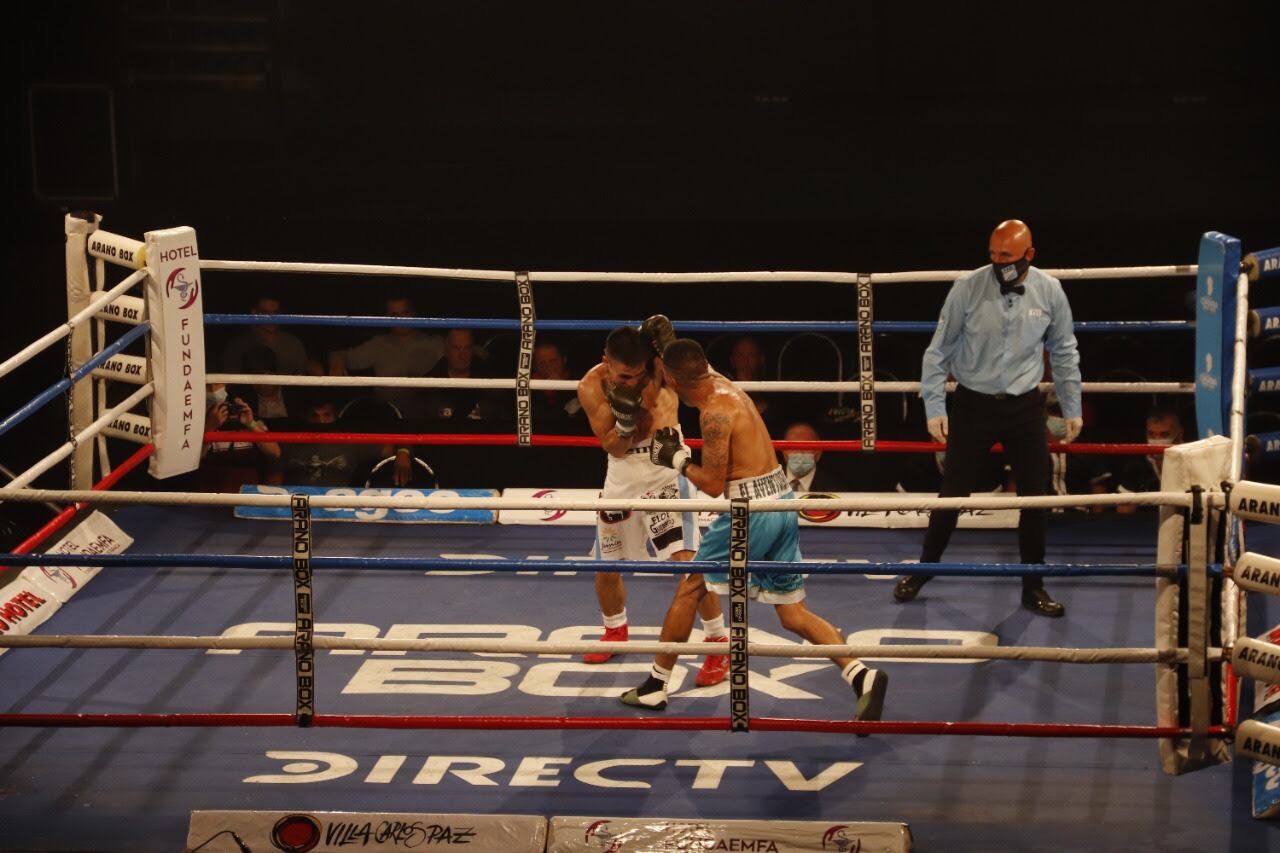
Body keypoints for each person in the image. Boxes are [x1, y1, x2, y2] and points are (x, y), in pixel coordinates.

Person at [621, 337, 887, 722]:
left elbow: (712, 485)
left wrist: (676, 458)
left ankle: (655, 686)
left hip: (750, 512)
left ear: (675, 384)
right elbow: (689, 362)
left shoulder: (714, 413)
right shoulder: (722, 383)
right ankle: (861, 674)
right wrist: (665, 344)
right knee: (792, 613)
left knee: (690, 586)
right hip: (780, 502)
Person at [893, 219, 1083, 618]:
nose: (999, 264)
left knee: (1035, 496)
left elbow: (1064, 351)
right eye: (994, 256)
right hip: (973, 404)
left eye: (1008, 257)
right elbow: (937, 351)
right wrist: (934, 406)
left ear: (1029, 254)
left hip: (1025, 406)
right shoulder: (967, 287)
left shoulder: (1050, 291)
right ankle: (925, 570)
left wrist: (1071, 405)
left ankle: (1033, 586)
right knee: (953, 494)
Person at [577, 322, 729, 687]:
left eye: (638, 374)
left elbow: (704, 379)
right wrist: (626, 425)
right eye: (624, 376)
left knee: (688, 563)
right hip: (622, 475)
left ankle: (717, 642)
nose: (631, 383)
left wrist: (671, 345)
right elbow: (612, 446)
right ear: (606, 364)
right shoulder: (591, 385)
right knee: (606, 563)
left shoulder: (660, 369)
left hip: (666, 466)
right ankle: (615, 630)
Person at [328, 296, 443, 420]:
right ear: (386, 318)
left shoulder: (436, 343)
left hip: (427, 419)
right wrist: (336, 362)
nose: (401, 319)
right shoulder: (378, 345)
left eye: (405, 312)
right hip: (387, 418)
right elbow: (342, 355)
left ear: (414, 313)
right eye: (394, 315)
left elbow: (460, 351)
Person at [198, 382, 280, 492]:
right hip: (211, 497)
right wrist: (210, 428)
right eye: (209, 386)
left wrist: (250, 424)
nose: (213, 390)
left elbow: (274, 452)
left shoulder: (250, 419)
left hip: (245, 497)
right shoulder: (198, 421)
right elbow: (192, 461)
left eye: (217, 385)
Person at [1110, 403, 1185, 512]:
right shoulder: (1137, 463)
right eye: (1151, 434)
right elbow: (1124, 510)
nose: (1157, 440)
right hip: (1144, 525)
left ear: (1179, 434)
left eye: (1164, 434)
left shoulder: (1192, 459)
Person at [221, 294, 314, 377]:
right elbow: (232, 383)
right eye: (265, 313)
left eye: (275, 312)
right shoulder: (238, 345)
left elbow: (301, 377)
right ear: (254, 312)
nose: (271, 318)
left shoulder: (293, 343)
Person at [422, 328, 503, 423]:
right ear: (446, 349)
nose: (462, 355)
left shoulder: (493, 384)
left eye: (467, 348)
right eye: (456, 348)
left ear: (473, 350)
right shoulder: (429, 386)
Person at [780, 421, 849, 492]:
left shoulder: (835, 489)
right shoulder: (769, 483)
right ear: (783, 452)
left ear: (818, 453)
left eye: (806, 447)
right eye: (793, 447)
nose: (799, 452)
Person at [532, 340, 586, 429]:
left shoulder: (581, 381)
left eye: (553, 361)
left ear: (564, 359)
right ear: (534, 366)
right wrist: (548, 392)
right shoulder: (526, 386)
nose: (549, 366)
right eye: (542, 363)